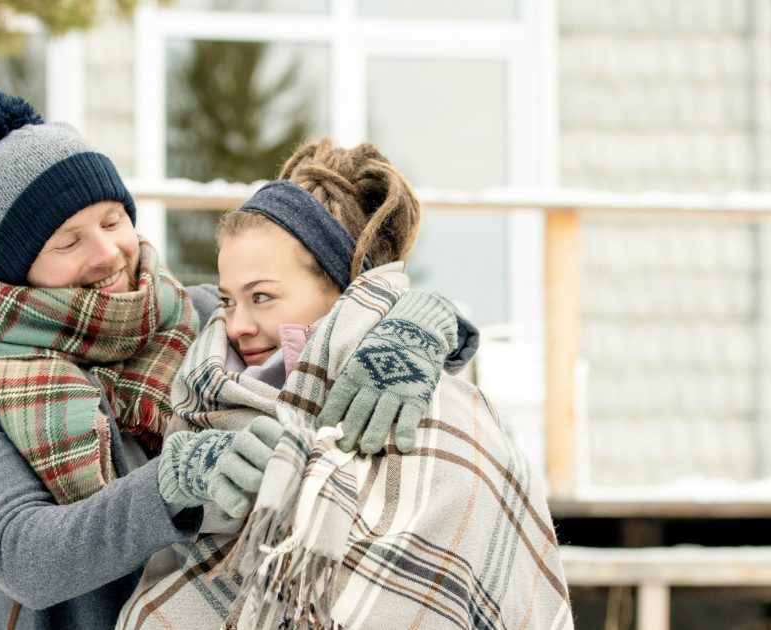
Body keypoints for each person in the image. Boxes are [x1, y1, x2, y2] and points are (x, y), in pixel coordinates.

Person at [0, 92, 457, 630]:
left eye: (110, 221)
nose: (105, 253)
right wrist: (174, 483)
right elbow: (23, 557)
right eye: (67, 242)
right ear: (19, 265)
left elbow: (324, 313)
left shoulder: (198, 313)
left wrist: (418, 323)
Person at [117, 139, 572, 629]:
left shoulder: (440, 414)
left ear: (342, 287)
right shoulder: (207, 383)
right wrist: (179, 480)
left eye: (263, 297)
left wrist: (429, 314)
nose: (237, 325)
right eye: (229, 300)